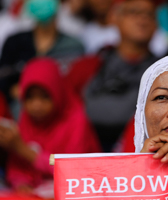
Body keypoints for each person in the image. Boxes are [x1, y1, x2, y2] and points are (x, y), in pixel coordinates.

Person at [0, 58, 100, 195]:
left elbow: (70, 167)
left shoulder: (76, 122)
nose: (36, 105)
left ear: (58, 93)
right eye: (30, 98)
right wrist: (21, 183)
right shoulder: (27, 119)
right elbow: (16, 167)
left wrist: (26, 151)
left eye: (45, 97)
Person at [83, 0, 158, 152]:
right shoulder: (88, 66)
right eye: (134, 12)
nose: (143, 19)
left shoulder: (164, 71)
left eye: (149, 14)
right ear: (114, 17)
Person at [0, 0, 84, 119]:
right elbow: (3, 76)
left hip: (60, 111)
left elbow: (77, 83)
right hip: (18, 110)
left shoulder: (73, 45)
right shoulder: (14, 42)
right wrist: (12, 89)